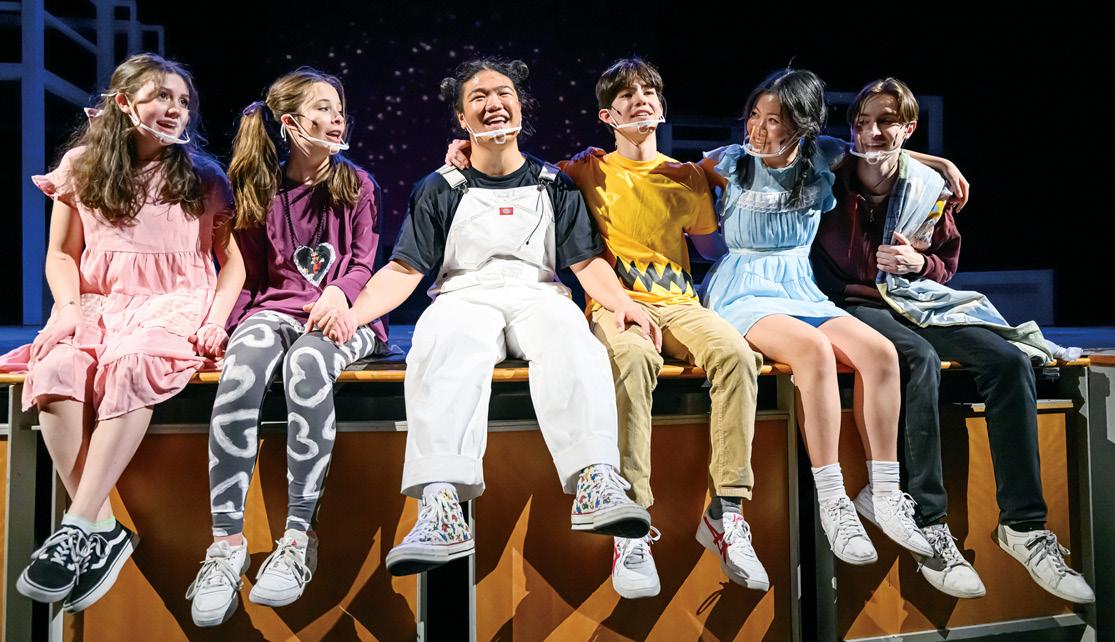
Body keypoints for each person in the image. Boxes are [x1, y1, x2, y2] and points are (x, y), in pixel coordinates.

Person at [445, 57, 768, 597]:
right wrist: (465, 150)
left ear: (661, 107)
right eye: (626, 95)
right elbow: (517, 167)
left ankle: (726, 512)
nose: (640, 100)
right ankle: (631, 520)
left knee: (736, 355)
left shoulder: (686, 175)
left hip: (680, 303)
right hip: (616, 305)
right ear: (607, 115)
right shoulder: (585, 170)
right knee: (631, 359)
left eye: (649, 93)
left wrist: (725, 182)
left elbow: (711, 247)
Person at [330, 57, 655, 576]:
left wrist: (623, 303)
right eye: (477, 97)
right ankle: (440, 505)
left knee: (573, 338)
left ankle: (596, 479)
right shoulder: (439, 187)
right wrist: (354, 313)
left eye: (503, 93)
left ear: (521, 107)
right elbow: (404, 269)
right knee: (441, 340)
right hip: (465, 294)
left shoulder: (555, 183)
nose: (493, 103)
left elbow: (585, 262)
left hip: (538, 293)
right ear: (462, 119)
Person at [810, 77, 1095, 603]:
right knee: (915, 358)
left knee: (1009, 361)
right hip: (847, 303)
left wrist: (919, 263)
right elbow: (785, 145)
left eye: (886, 122)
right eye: (863, 122)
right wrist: (940, 159)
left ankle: (1024, 526)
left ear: (909, 127)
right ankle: (928, 521)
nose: (872, 132)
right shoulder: (829, 173)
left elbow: (945, 263)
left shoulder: (926, 188)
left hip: (912, 300)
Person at [11, 53, 244, 612]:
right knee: (57, 365)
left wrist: (215, 319)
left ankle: (75, 525)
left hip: (172, 302)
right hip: (98, 302)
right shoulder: (82, 165)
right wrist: (67, 310)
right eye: (162, 96)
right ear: (123, 102)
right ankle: (103, 527)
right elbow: (61, 254)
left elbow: (232, 262)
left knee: (134, 362)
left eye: (184, 100)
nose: (176, 108)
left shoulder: (203, 176)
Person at [699, 68, 958, 565]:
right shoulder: (727, 162)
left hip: (802, 287)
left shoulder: (823, 156)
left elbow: (881, 152)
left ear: (801, 125)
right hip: (745, 288)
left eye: (773, 119)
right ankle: (833, 500)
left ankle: (884, 493)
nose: (758, 128)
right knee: (814, 351)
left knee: (881, 354)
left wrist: (938, 162)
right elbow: (663, 171)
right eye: (754, 115)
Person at [185, 68, 387, 626]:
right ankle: (226, 544)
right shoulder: (259, 188)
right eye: (323, 108)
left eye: (340, 107)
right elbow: (248, 277)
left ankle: (298, 537)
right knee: (243, 365)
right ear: (292, 123)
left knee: (307, 363)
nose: (338, 117)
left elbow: (364, 264)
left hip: (347, 315)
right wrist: (224, 326)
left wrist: (339, 297)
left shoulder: (358, 186)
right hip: (275, 310)